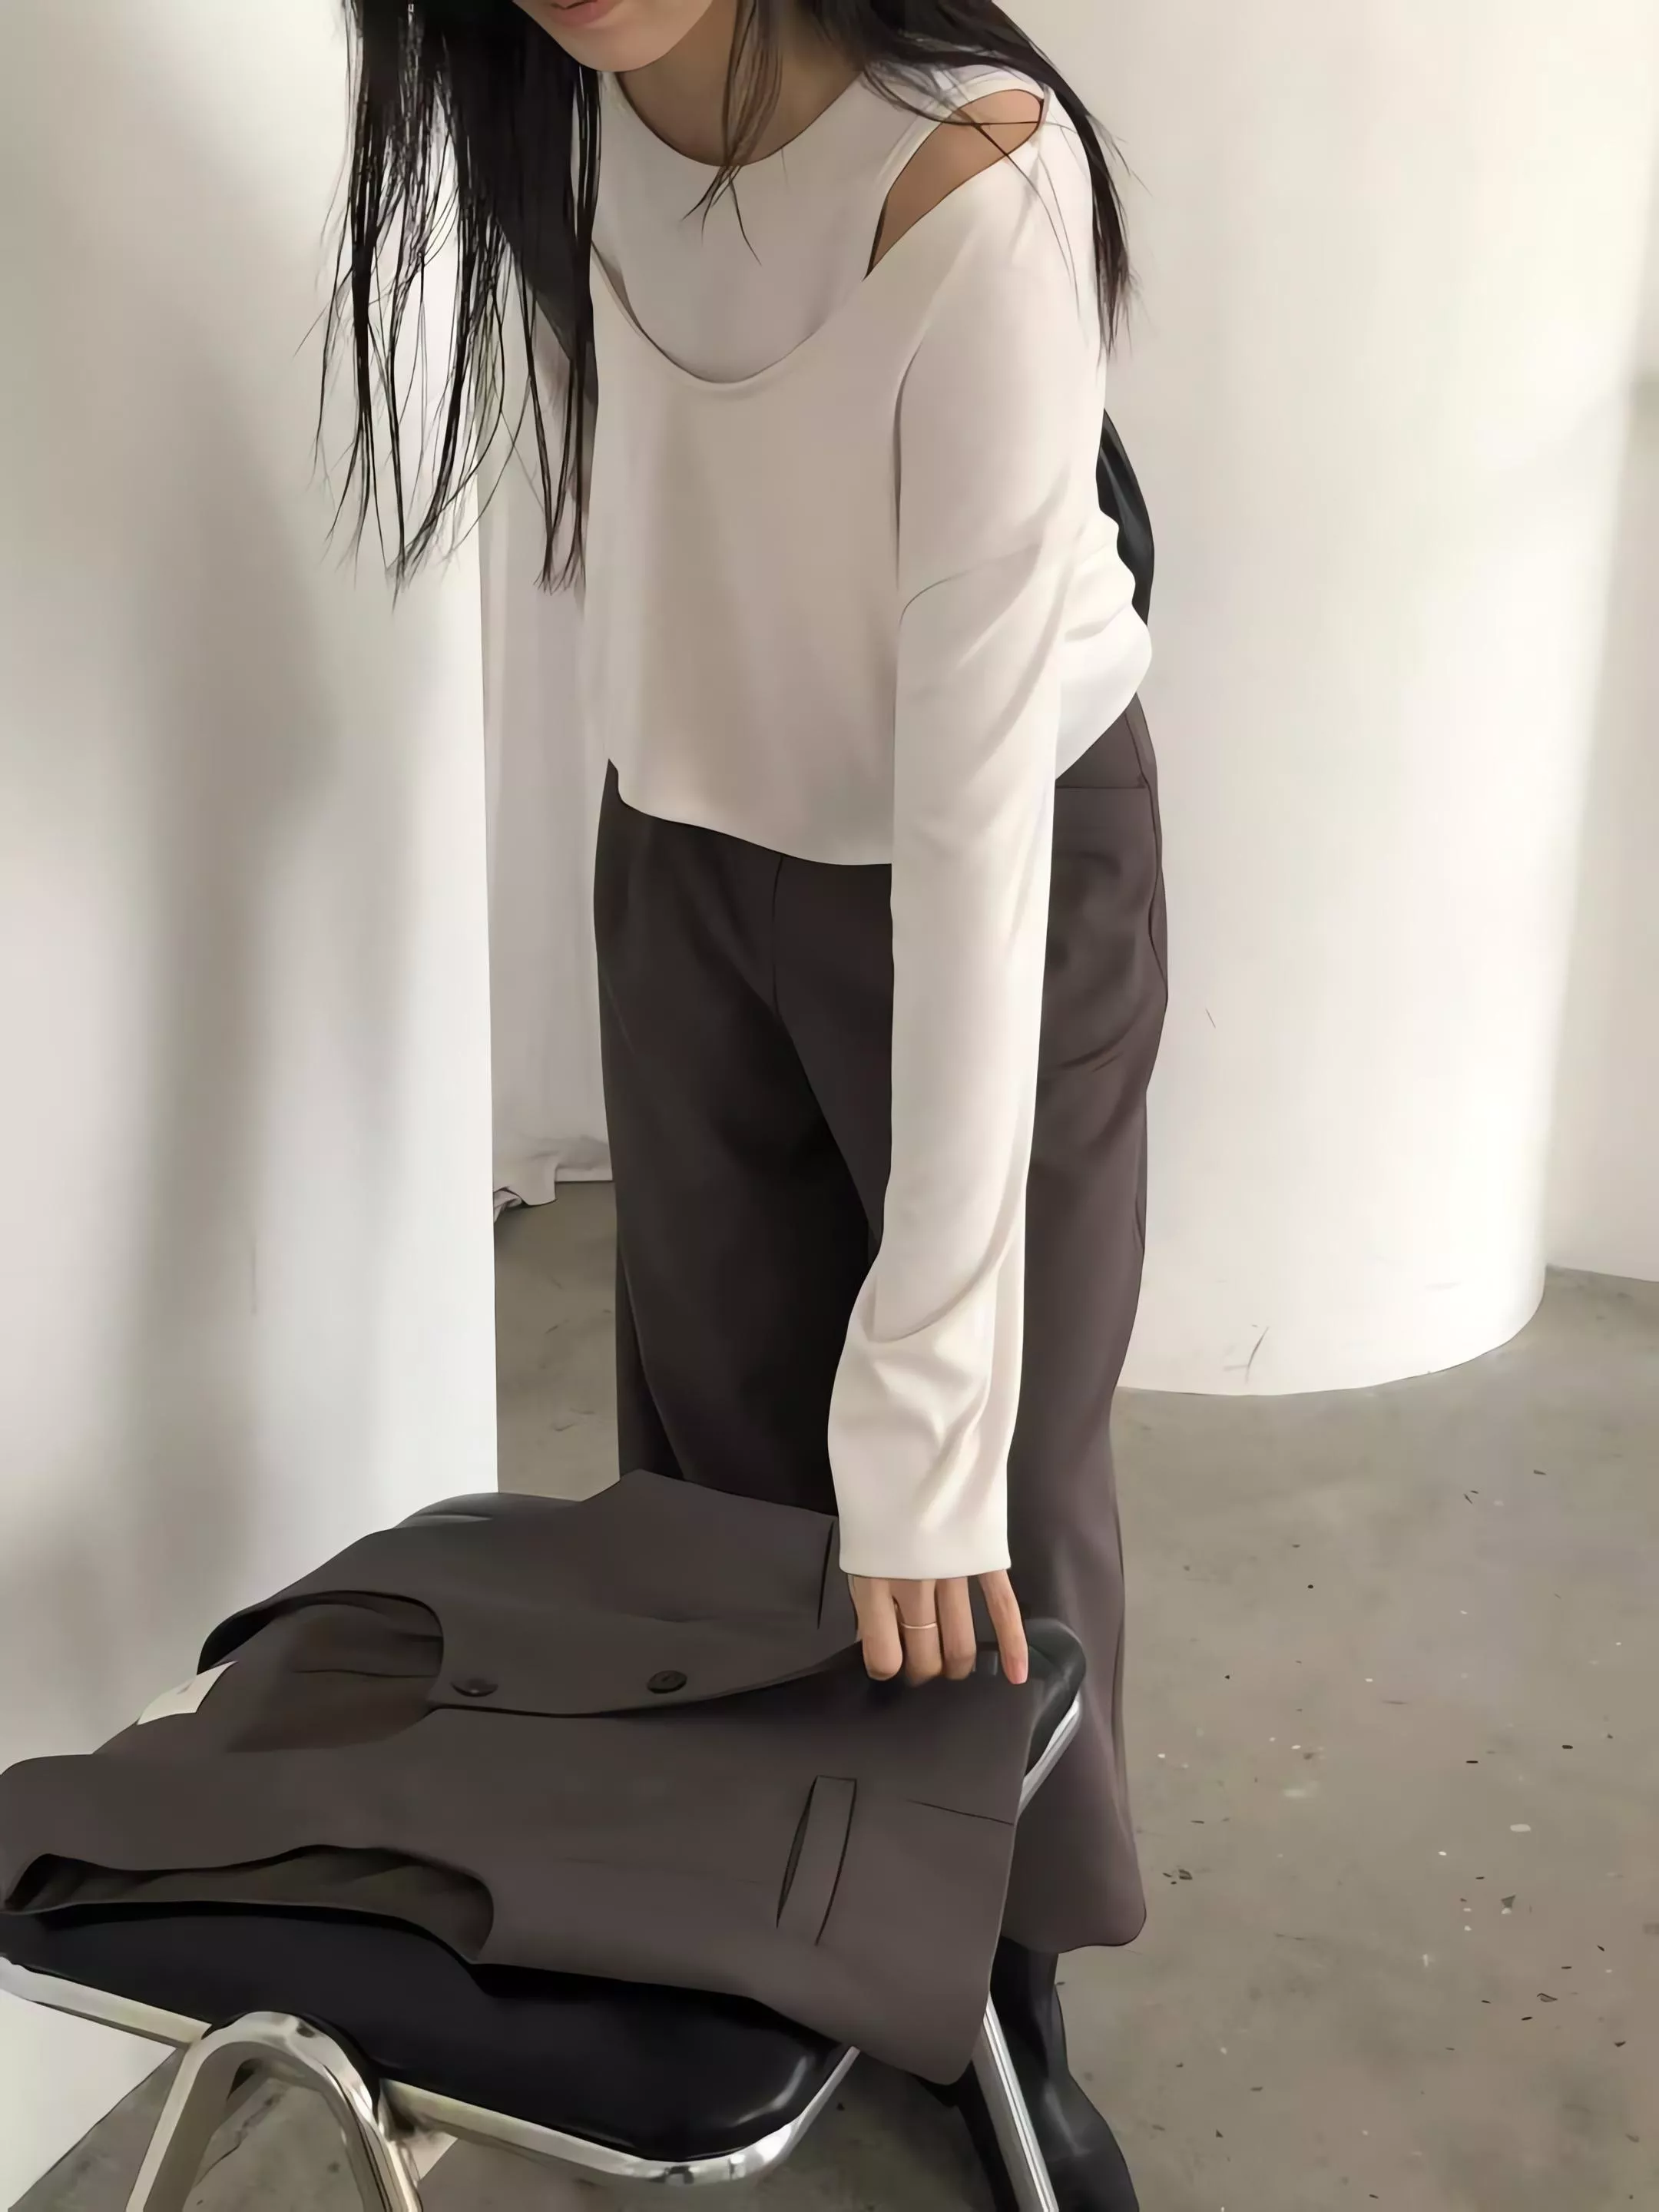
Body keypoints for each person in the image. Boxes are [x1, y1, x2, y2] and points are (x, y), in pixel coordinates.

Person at [332, 2, 1167, 2204]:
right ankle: (777, 1920)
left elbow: (973, 830)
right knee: (713, 1460)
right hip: (690, 850)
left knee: (995, 1481)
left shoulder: (971, 183)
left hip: (996, 852)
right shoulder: (554, 107)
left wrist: (927, 1389)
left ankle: (1003, 1985)